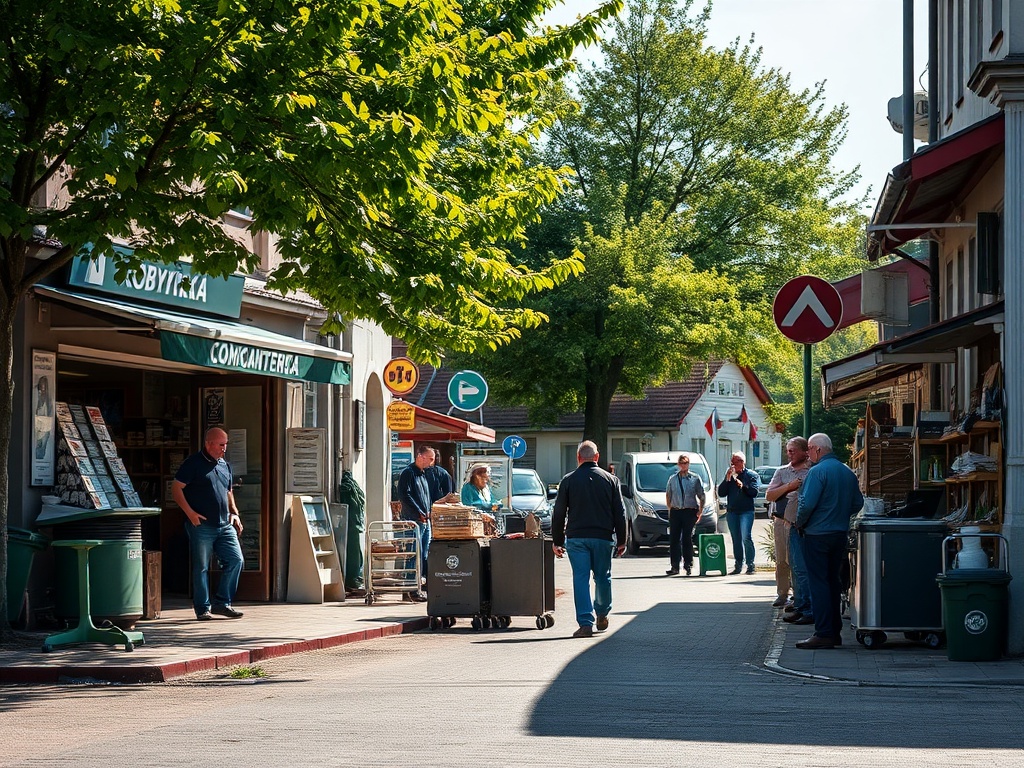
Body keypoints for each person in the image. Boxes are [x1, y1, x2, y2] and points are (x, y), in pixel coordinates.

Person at [795, 433, 864, 650]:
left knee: (819, 583)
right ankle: (834, 631)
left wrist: (800, 523)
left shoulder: (817, 472)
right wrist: (839, 514)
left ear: (816, 449)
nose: (808, 453)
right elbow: (857, 503)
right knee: (833, 582)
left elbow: (806, 505)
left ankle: (824, 632)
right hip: (838, 533)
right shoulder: (847, 471)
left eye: (809, 449)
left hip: (817, 534)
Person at [551, 440, 627, 638]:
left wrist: (557, 540)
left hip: (576, 538)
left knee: (581, 579)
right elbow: (620, 512)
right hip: (602, 537)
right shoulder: (611, 480)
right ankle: (602, 612)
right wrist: (622, 540)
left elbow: (558, 512)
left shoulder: (568, 480)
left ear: (578, 458)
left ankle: (585, 623)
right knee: (603, 577)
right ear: (597, 457)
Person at [172, 427, 245, 621]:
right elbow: (176, 488)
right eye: (221, 445)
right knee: (202, 566)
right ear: (208, 443)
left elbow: (229, 491)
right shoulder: (193, 463)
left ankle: (222, 602)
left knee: (236, 560)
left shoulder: (225, 465)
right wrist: (191, 514)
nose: (224, 449)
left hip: (224, 524)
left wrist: (234, 513)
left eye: (226, 445)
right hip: (202, 525)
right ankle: (203, 608)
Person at [765, 437, 813, 620]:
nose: (789, 454)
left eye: (793, 450)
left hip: (801, 523)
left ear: (804, 452)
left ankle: (798, 597)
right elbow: (770, 495)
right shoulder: (782, 472)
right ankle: (782, 593)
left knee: (798, 561)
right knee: (782, 558)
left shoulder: (811, 471)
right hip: (781, 520)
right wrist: (789, 486)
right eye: (788, 450)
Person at [396, 444, 433, 601]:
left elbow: (425, 496)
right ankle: (410, 589)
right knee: (413, 555)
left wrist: (429, 511)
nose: (432, 462)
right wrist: (419, 511)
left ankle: (416, 587)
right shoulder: (408, 473)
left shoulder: (423, 474)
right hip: (413, 520)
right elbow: (405, 495)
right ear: (420, 456)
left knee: (423, 555)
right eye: (430, 459)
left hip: (424, 521)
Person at [717, 451, 759, 574]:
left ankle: (750, 564)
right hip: (732, 512)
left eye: (735, 462)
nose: (733, 465)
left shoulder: (750, 475)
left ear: (742, 462)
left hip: (746, 511)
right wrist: (727, 478)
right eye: (732, 462)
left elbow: (754, 492)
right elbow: (721, 492)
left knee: (746, 537)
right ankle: (738, 564)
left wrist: (743, 486)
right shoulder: (730, 476)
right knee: (736, 539)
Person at [665, 455, 705, 576]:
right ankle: (675, 566)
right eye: (681, 463)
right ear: (678, 464)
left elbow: (701, 495)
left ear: (689, 464)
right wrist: (670, 508)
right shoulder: (672, 479)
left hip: (689, 511)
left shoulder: (694, 478)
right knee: (674, 539)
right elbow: (668, 494)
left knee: (687, 538)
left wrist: (700, 510)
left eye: (686, 463)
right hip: (676, 511)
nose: (683, 465)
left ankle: (688, 564)